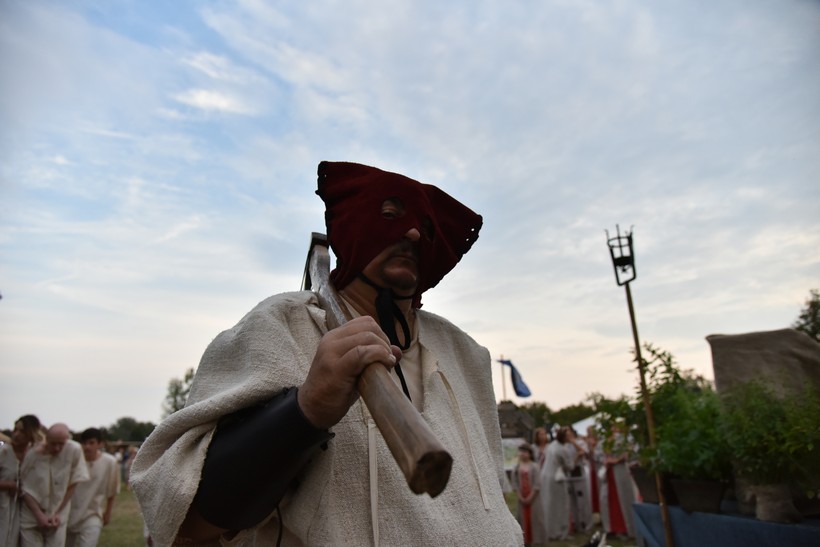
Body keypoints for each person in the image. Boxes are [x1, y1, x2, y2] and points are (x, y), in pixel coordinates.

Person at [131, 161, 523, 545]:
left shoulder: (466, 353)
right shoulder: (283, 324)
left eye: (426, 226)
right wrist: (306, 409)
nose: (414, 233)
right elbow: (189, 516)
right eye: (390, 216)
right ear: (355, 226)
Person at [19, 423, 89, 547]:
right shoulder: (33, 453)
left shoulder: (74, 450)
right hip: (31, 513)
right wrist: (39, 515)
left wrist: (57, 512)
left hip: (58, 512)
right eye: (53, 444)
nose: (57, 448)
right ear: (47, 439)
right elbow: (24, 487)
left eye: (61, 444)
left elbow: (73, 483)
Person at [67, 428, 120, 547]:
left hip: (92, 514)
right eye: (84, 443)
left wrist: (108, 512)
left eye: (91, 443)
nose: (87, 447)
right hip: (69, 513)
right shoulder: (74, 461)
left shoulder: (109, 462)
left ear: (100, 444)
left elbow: (112, 490)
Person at [0, 415, 43, 546]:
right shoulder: (3, 451)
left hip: (20, 509)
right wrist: (8, 485)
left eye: (22, 431)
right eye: (15, 430)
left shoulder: (34, 455)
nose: (17, 435)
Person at [541, 426, 571, 541]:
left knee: (548, 503)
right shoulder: (562, 449)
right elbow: (569, 466)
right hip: (557, 479)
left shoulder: (551, 446)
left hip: (546, 476)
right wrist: (578, 456)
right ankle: (558, 531)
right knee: (560, 505)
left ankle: (549, 529)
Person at [512, 443, 542, 546]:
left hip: (533, 498)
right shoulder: (517, 468)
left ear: (530, 454)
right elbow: (515, 484)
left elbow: (537, 484)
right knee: (522, 518)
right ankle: (524, 539)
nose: (523, 454)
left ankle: (535, 538)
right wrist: (520, 497)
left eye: (525, 452)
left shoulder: (535, 466)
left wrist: (530, 497)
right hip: (522, 497)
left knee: (534, 517)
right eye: (521, 452)